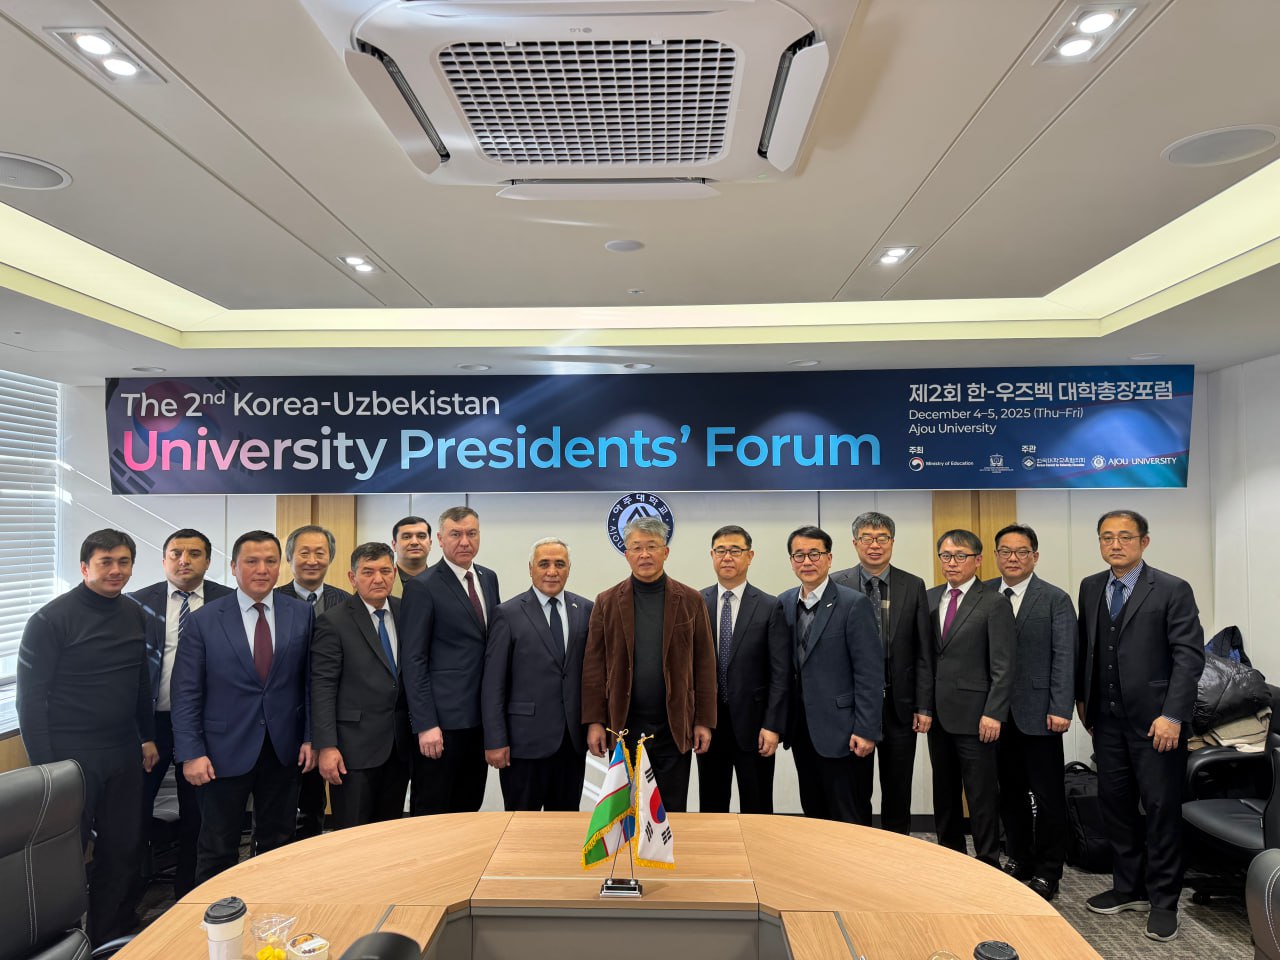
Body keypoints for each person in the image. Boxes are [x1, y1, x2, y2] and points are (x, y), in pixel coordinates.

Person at [17, 529, 157, 944]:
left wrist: (147, 737)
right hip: (70, 757)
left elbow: (140, 681)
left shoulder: (134, 614)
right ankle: (56, 941)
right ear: (84, 567)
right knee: (64, 855)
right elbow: (30, 700)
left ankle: (107, 934)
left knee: (123, 847)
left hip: (123, 752)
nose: (116, 570)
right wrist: (48, 769)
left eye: (123, 562)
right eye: (105, 562)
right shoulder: (49, 620)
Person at [1077, 510, 1205, 942]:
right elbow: (1089, 648)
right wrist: (1084, 702)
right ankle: (1128, 887)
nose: (1115, 544)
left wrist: (1173, 715)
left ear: (1144, 542)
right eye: (1106, 537)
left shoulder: (1171, 588)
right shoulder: (1091, 586)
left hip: (1157, 724)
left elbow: (1189, 657)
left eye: (1125, 537)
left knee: (1161, 810)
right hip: (1107, 722)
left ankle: (1164, 901)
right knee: (1115, 806)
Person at [171, 530, 315, 884]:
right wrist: (191, 753)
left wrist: (311, 737)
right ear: (234, 567)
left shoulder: (301, 614)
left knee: (279, 844)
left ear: (279, 566)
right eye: (251, 561)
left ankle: (271, 910)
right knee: (217, 847)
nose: (261, 569)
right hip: (220, 753)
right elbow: (186, 692)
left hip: (283, 750)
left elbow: (310, 683)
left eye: (270, 561)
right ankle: (215, 916)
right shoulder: (204, 620)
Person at [581, 516, 716, 812]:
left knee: (670, 811)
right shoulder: (606, 602)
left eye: (652, 546)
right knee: (627, 812)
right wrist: (595, 721)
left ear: (665, 552)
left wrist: (704, 721)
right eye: (637, 547)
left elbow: (705, 665)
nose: (644, 554)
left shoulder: (691, 600)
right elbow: (594, 667)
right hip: (624, 726)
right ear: (626, 554)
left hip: (674, 726)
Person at [130, 528, 232, 897]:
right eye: (176, 553)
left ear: (208, 561)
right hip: (153, 725)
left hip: (207, 725)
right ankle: (131, 895)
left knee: (200, 814)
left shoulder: (229, 602)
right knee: (134, 810)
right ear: (164, 560)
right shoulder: (137, 603)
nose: (184, 560)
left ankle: (189, 893)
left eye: (194, 553)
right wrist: (141, 733)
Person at [831, 511, 932, 833]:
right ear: (855, 543)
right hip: (853, 707)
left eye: (882, 538)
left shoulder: (913, 585)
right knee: (855, 790)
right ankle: (858, 851)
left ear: (892, 541)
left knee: (898, 791)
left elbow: (923, 651)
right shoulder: (836, 584)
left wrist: (923, 705)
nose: (874, 545)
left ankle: (896, 854)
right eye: (867, 538)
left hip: (899, 706)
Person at [989, 523, 1075, 901]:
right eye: (1006, 551)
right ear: (996, 556)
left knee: (1048, 795)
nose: (1013, 558)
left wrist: (1061, 706)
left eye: (1022, 551)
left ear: (1035, 556)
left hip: (1040, 713)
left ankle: (1048, 870)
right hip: (995, 715)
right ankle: (1020, 858)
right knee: (1009, 794)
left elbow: (1065, 656)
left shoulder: (1054, 599)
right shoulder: (984, 593)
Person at [777, 525, 882, 824]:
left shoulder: (853, 604)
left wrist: (866, 729)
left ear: (829, 558)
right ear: (791, 561)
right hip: (802, 730)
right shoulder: (784, 602)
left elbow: (869, 673)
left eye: (815, 554)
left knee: (849, 815)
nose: (807, 561)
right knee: (814, 812)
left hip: (845, 732)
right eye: (799, 555)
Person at [400, 506, 501, 814]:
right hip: (441, 727)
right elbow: (413, 660)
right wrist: (426, 724)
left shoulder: (488, 578)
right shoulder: (422, 586)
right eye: (455, 534)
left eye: (471, 533)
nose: (464, 541)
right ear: (441, 540)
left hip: (480, 721)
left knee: (469, 805)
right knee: (433, 809)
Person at [481, 537, 593, 811]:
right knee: (520, 824)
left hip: (570, 744)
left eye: (560, 564)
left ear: (569, 569)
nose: (552, 571)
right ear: (531, 569)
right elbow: (493, 684)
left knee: (565, 824)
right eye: (544, 564)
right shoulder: (507, 614)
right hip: (523, 744)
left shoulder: (586, 610)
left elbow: (592, 676)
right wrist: (495, 740)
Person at [926, 529, 1014, 867]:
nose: (952, 562)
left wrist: (994, 712)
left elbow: (1004, 664)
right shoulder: (930, 598)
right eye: (946, 556)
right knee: (944, 793)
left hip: (978, 717)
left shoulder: (993, 602)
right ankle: (950, 859)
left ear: (977, 560)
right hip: (938, 715)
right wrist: (923, 706)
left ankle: (988, 862)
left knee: (981, 795)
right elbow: (926, 659)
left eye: (960, 556)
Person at [311, 542, 413, 828]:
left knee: (389, 830)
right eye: (368, 572)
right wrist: (326, 746)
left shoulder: (406, 612)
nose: (378, 579)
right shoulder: (333, 621)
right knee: (352, 833)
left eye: (385, 571)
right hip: (352, 750)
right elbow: (322, 688)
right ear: (352, 577)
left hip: (398, 746)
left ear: (394, 574)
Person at [696, 525, 789, 814]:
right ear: (712, 556)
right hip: (710, 726)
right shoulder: (696, 603)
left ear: (750, 556)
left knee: (758, 807)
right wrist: (697, 720)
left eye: (735, 550)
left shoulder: (770, 606)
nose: (727, 557)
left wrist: (773, 725)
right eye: (721, 551)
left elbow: (780, 673)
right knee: (712, 807)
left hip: (755, 726)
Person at [276, 524, 349, 837]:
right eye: (303, 552)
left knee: (314, 801)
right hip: (279, 719)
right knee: (274, 803)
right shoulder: (272, 600)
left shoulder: (346, 603)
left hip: (328, 716)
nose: (312, 560)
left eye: (320, 553)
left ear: (330, 557)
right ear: (289, 557)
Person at [390, 515, 433, 599]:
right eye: (406, 537)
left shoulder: (445, 582)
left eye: (421, 536)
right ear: (394, 545)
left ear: (430, 544)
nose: (414, 542)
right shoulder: (380, 582)